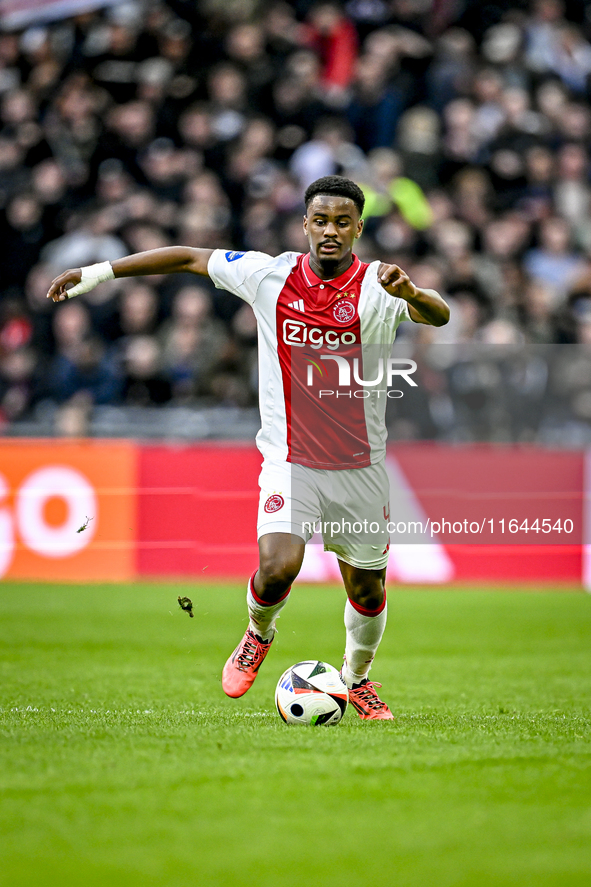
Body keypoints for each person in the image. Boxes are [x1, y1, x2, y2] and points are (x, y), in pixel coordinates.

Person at [48, 175, 450, 720]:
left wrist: (412, 294)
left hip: (361, 466)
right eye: (320, 220)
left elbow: (439, 314)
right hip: (290, 459)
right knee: (279, 566)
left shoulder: (382, 285)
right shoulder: (269, 274)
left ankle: (357, 680)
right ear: (305, 224)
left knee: (369, 590)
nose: (330, 231)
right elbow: (189, 257)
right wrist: (98, 272)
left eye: (342, 222)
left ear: (359, 227)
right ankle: (258, 635)